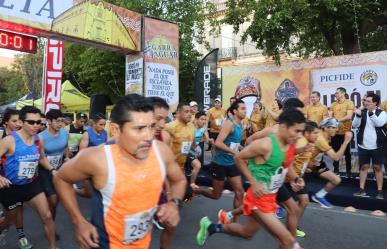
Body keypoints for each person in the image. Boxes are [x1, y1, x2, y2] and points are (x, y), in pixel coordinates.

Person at [54, 94, 187, 249]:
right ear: (116, 130)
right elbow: (61, 179)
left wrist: (174, 203)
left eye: (151, 126)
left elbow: (179, 180)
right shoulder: (97, 159)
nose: (149, 136)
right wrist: (79, 221)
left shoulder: (161, 151)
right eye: (139, 129)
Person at [196, 109, 306, 249]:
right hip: (258, 199)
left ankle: (211, 227)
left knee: (246, 233)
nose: (299, 136)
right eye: (296, 131)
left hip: (271, 197)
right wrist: (253, 182)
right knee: (288, 241)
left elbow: (284, 165)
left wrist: (295, 179)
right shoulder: (266, 144)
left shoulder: (290, 145)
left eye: (301, 132)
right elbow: (239, 158)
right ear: (283, 127)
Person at [0, 106, 57, 249]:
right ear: (22, 122)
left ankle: (53, 247)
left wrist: (53, 170)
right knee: (9, 220)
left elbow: (42, 158)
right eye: (31, 122)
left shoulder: (39, 140)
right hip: (10, 187)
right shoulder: (9, 141)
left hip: (31, 184)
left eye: (39, 122)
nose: (36, 125)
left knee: (48, 216)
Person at [194, 100, 246, 216]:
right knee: (216, 195)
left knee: (240, 192)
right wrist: (234, 152)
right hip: (220, 163)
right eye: (242, 108)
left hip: (231, 163)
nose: (245, 111)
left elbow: (235, 143)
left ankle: (233, 220)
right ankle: (195, 190)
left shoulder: (240, 124)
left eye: (245, 108)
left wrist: (244, 149)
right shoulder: (229, 123)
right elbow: (218, 143)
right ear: (235, 111)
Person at [307, 118, 352, 208]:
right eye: (335, 127)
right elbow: (336, 158)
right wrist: (346, 142)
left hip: (314, 162)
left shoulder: (324, 136)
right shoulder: (321, 139)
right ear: (327, 128)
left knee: (336, 180)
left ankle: (319, 196)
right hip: (302, 163)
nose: (337, 129)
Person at [38, 109, 70, 236]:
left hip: (59, 169)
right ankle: (48, 223)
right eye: (57, 121)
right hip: (45, 170)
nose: (60, 124)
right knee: (53, 199)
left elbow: (66, 148)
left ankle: (50, 225)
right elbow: (41, 158)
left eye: (62, 121)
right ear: (49, 121)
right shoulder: (41, 137)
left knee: (55, 202)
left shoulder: (64, 133)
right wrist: (51, 169)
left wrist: (67, 157)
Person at [353, 93, 387, 199]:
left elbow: (379, 123)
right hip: (363, 145)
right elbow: (355, 125)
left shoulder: (382, 113)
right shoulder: (362, 112)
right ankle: (361, 189)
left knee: (377, 167)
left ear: (375, 103)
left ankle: (380, 191)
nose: (365, 103)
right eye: (365, 101)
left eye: (368, 101)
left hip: (378, 146)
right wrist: (358, 115)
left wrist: (371, 113)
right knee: (364, 167)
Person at [329, 87, 354, 177]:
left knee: (347, 153)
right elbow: (330, 117)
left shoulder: (349, 102)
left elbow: (349, 116)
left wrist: (336, 121)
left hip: (346, 132)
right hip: (335, 132)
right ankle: (336, 170)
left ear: (343, 93)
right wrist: (332, 122)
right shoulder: (333, 104)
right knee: (335, 151)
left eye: (337, 93)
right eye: (335, 93)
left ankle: (349, 172)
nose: (335, 95)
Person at [188, 111, 211, 188]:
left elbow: (207, 140)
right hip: (187, 149)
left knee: (197, 166)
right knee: (197, 165)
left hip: (196, 149)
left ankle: (192, 183)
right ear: (196, 119)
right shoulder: (190, 127)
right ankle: (191, 184)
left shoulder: (203, 128)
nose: (204, 121)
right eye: (202, 119)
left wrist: (211, 141)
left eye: (205, 119)